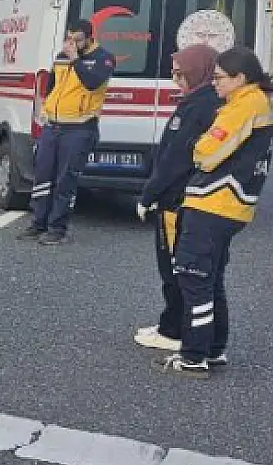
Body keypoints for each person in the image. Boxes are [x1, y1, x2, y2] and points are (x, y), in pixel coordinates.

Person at [162, 46, 273, 375]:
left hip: (214, 202)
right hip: (232, 205)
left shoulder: (244, 106)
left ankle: (194, 355)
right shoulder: (254, 103)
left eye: (219, 78)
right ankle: (214, 349)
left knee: (193, 276)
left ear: (240, 78)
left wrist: (197, 146)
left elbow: (207, 152)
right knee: (210, 279)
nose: (214, 84)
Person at [132, 44, 221, 352]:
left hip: (177, 200)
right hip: (184, 198)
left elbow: (175, 158)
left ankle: (174, 331)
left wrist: (149, 194)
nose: (175, 81)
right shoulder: (199, 101)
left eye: (180, 74)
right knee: (178, 268)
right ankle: (173, 323)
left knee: (174, 268)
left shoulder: (200, 107)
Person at [20, 17, 117, 244]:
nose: (72, 44)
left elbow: (92, 82)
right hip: (53, 125)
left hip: (79, 128)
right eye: (69, 39)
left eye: (78, 40)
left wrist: (76, 60)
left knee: (65, 179)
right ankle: (38, 222)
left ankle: (57, 228)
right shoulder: (61, 57)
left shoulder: (103, 58)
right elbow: (53, 86)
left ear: (90, 38)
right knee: (43, 175)